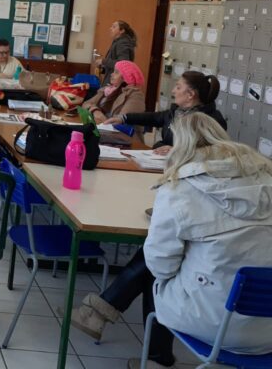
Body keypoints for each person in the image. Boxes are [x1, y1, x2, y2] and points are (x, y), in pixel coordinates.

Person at [69, 113, 272, 369]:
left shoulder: (180, 188)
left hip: (216, 325)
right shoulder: (266, 181)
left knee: (156, 272)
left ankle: (156, 358)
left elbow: (160, 266)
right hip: (266, 331)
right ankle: (103, 313)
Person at [106, 70, 225, 154]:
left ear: (190, 94)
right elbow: (154, 117)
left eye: (178, 87)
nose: (173, 91)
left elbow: (213, 152)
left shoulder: (212, 120)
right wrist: (123, 118)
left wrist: (175, 151)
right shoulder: (177, 112)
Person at [96, 20, 137, 86]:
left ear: (122, 31)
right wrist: (104, 68)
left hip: (116, 81)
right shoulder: (118, 41)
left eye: (114, 27)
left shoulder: (122, 42)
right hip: (113, 78)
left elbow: (122, 64)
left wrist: (103, 61)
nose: (110, 28)